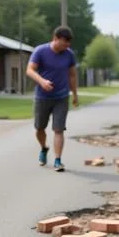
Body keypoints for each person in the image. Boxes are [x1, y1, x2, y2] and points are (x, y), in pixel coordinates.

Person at [27, 25, 78, 172]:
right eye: (64, 42)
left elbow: (73, 75)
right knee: (40, 128)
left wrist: (74, 94)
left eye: (69, 43)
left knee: (58, 129)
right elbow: (29, 70)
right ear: (55, 39)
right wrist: (42, 81)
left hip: (61, 97)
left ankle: (58, 160)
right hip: (42, 97)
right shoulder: (40, 51)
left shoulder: (69, 55)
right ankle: (44, 148)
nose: (66, 46)